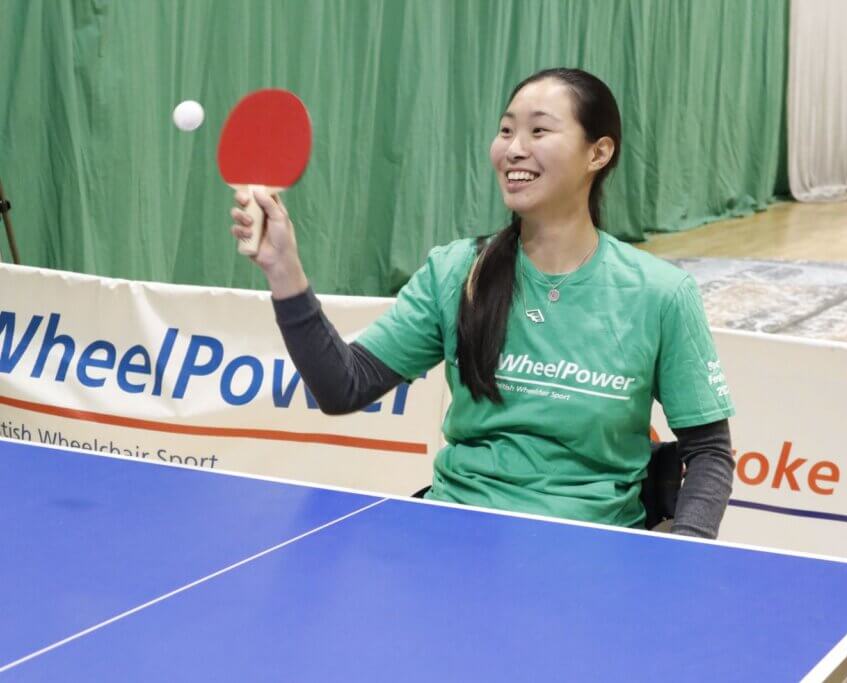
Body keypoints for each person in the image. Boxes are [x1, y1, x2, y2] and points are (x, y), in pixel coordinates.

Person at [230, 68, 735, 537]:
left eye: (539, 132)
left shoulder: (659, 293)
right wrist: (284, 271)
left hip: (592, 547)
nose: (514, 149)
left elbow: (709, 452)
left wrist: (681, 554)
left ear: (598, 153)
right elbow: (344, 386)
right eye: (506, 130)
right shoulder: (456, 272)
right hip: (456, 536)